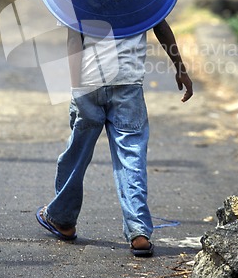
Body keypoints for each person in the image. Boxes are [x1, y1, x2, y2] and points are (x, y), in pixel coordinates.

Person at [36, 17, 193, 256]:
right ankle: (138, 231)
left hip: (88, 82)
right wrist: (180, 69)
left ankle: (63, 220)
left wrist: (77, 87)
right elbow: (160, 25)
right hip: (128, 82)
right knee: (131, 156)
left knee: (77, 154)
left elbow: (74, 39)